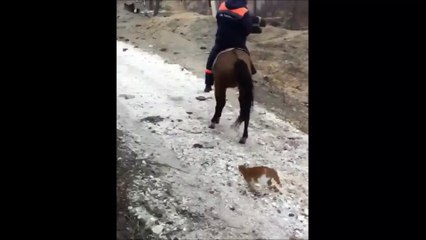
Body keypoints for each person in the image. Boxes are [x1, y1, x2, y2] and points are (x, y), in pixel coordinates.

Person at [204, 0, 257, 92]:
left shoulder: (222, 5)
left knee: (211, 59)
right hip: (237, 42)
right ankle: (251, 73)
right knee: (246, 55)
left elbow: (218, 20)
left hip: (221, 41)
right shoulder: (243, 10)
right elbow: (247, 29)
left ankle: (208, 84)